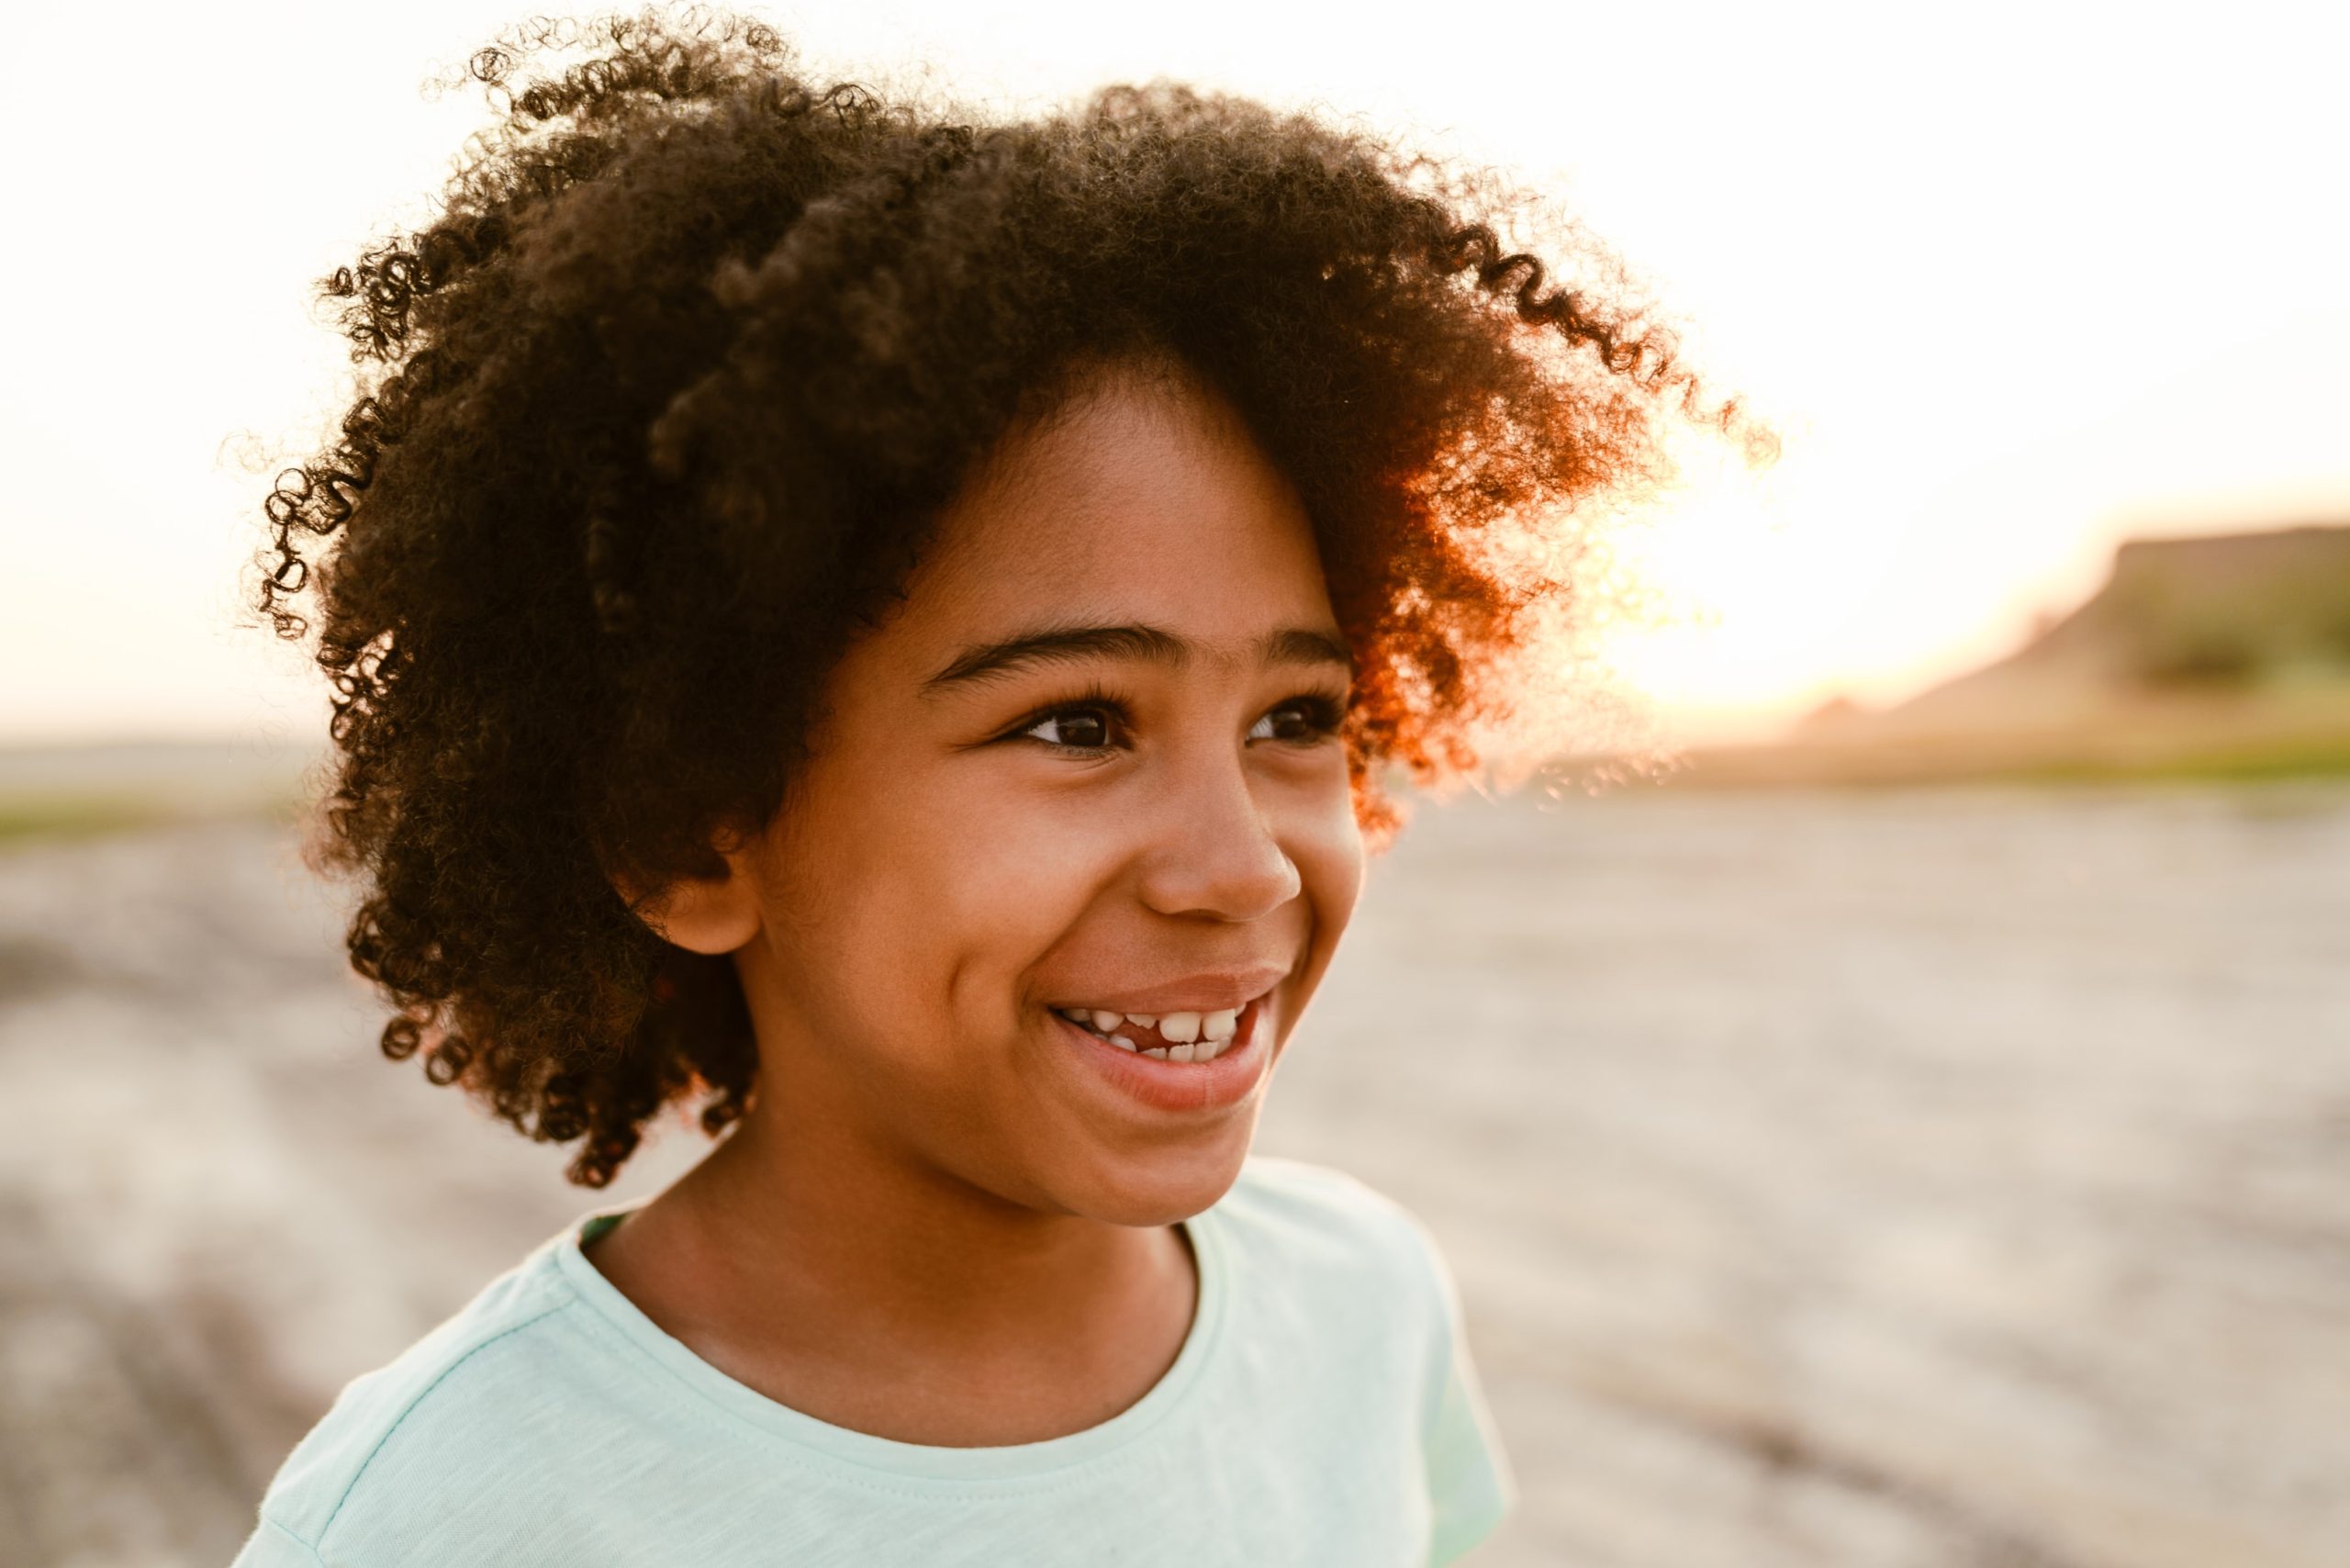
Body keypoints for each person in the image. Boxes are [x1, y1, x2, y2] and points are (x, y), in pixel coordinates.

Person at [232, 9, 1745, 1563]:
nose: (1247, 870)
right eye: (1081, 724)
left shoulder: (1364, 1309)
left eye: (1295, 714)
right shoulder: (458, 1513)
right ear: (688, 831)